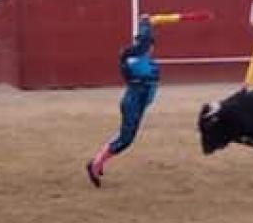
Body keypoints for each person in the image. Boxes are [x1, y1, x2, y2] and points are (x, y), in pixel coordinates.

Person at [86, 13, 209, 187]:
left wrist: (173, 19)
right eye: (149, 44)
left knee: (124, 137)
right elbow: (144, 42)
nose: (151, 47)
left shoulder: (137, 59)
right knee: (125, 139)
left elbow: (150, 25)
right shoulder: (135, 60)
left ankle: (98, 162)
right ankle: (95, 164)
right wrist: (148, 24)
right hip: (133, 102)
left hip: (137, 101)